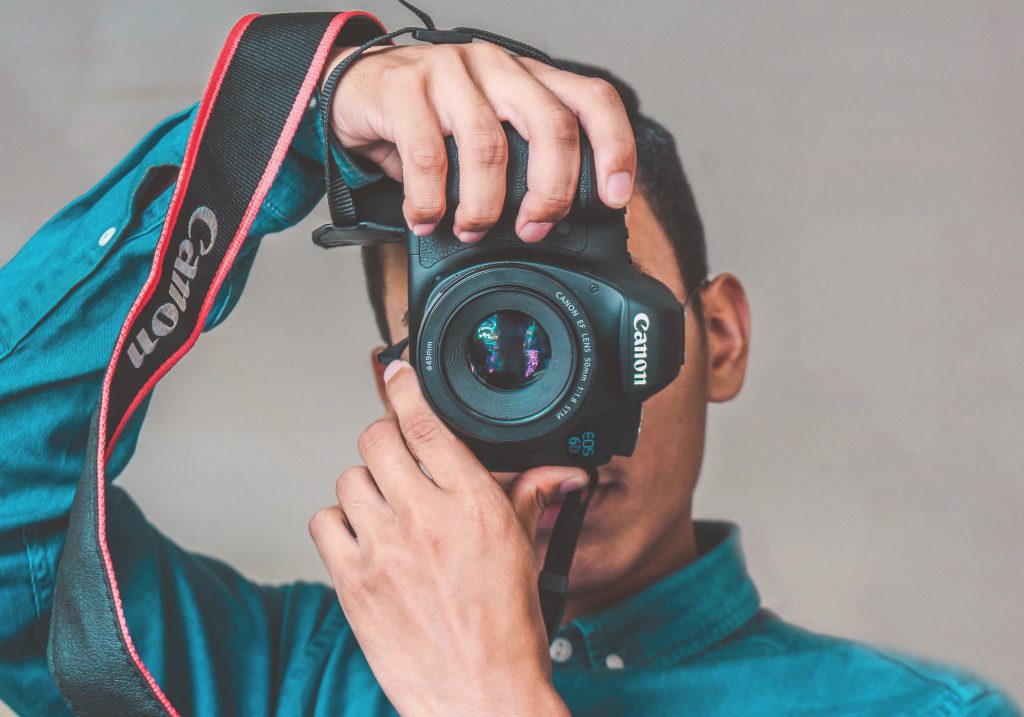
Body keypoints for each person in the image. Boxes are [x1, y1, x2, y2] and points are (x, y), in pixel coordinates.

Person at [0, 34, 1017, 717]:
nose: (549, 381)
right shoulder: (278, 679)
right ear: (398, 384)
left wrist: (488, 695)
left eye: (593, 311)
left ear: (716, 337)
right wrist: (293, 117)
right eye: (480, 337)